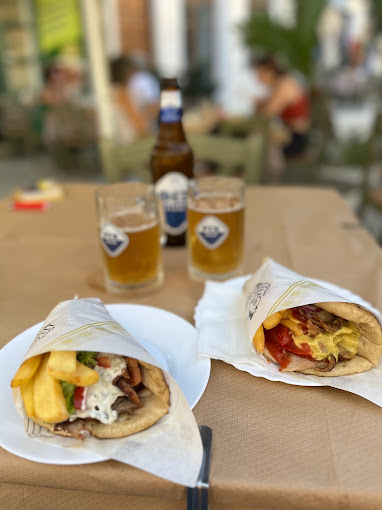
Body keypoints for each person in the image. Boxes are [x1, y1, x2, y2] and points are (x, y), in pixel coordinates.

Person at [252, 55, 310, 157]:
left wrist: (261, 106)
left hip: (294, 139)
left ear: (270, 71)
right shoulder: (280, 84)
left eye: (260, 72)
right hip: (289, 135)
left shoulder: (284, 85)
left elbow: (267, 114)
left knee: (254, 140)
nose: (257, 77)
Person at [109, 57, 148, 144]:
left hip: (120, 143)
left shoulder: (113, 91)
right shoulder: (121, 93)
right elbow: (139, 125)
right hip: (130, 144)